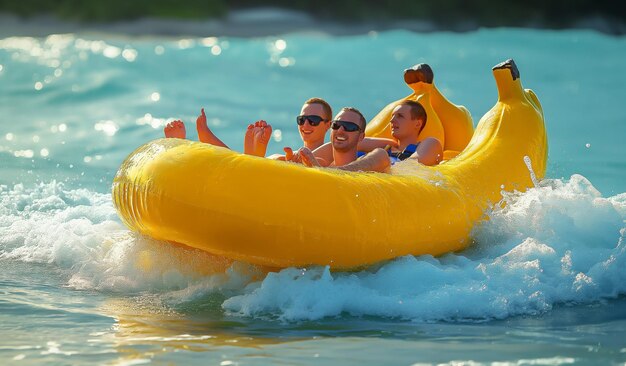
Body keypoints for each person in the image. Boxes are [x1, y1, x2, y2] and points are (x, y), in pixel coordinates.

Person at [163, 97, 333, 159]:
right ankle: (252, 155)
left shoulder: (330, 153)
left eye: (313, 120)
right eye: (302, 119)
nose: (305, 125)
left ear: (328, 125)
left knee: (269, 160)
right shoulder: (290, 154)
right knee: (258, 161)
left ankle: (253, 154)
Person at [288, 107, 390, 172]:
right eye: (336, 125)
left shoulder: (373, 159)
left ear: (361, 136)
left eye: (349, 127)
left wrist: (323, 171)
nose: (340, 130)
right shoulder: (322, 163)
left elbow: (383, 156)